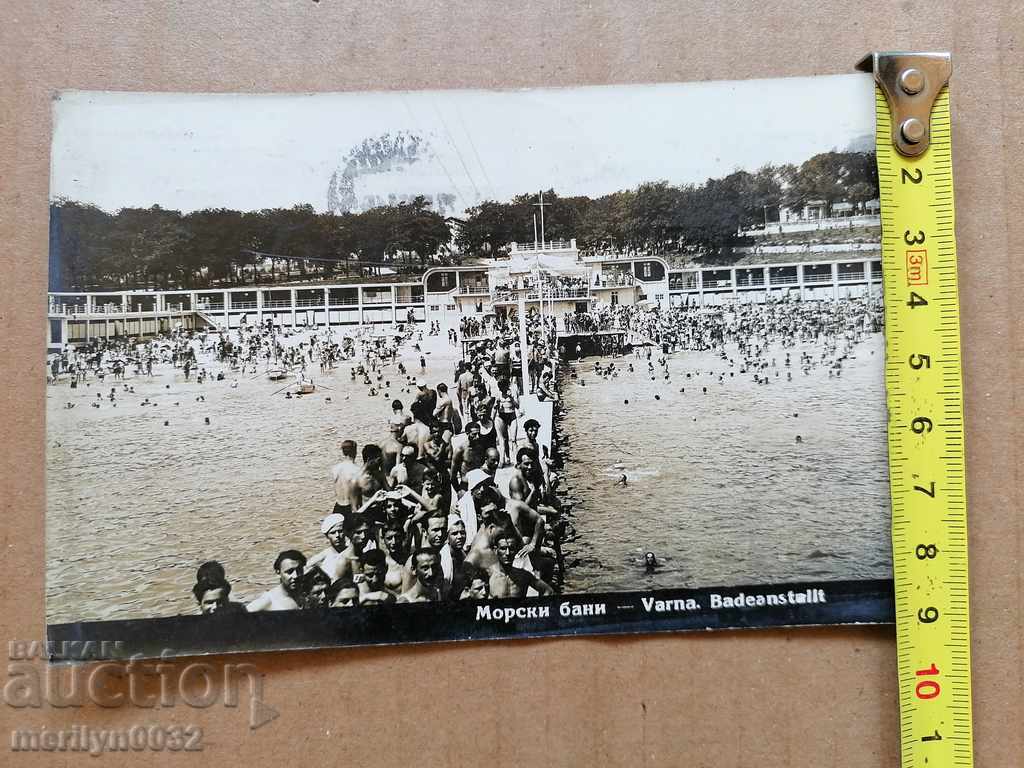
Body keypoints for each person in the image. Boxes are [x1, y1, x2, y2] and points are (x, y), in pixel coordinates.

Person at [488, 533, 555, 598]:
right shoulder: (489, 575)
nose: (507, 553)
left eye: (511, 549)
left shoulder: (523, 575)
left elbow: (548, 591)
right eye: (503, 548)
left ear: (516, 551)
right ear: (495, 550)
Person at [305, 513, 348, 582]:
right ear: (327, 536)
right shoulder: (323, 556)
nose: (337, 535)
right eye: (333, 533)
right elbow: (305, 568)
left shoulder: (351, 551)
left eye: (340, 531)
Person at [330, 440, 360, 517]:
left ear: (343, 452)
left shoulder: (335, 468)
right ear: (355, 451)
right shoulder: (356, 470)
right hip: (350, 507)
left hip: (337, 506)